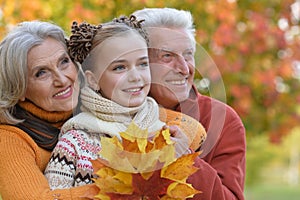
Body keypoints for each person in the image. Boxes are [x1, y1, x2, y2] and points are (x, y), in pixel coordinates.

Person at [44, 15, 207, 190]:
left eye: (142, 64)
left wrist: (182, 156)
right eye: (119, 68)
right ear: (93, 80)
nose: (135, 76)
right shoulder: (74, 145)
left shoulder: (166, 136)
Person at [132, 8, 246, 200]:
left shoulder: (223, 120)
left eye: (188, 55)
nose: (185, 68)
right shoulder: (109, 113)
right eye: (167, 56)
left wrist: (184, 161)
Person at [0, 21, 92, 200]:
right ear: (19, 89)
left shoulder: (98, 102)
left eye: (64, 62)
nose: (62, 80)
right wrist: (118, 188)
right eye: (41, 73)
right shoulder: (9, 139)